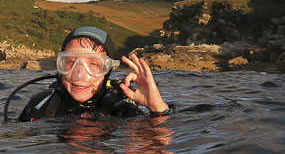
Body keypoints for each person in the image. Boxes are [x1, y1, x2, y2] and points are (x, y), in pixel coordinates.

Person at [18, 26, 171, 121]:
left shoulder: (120, 106)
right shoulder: (40, 104)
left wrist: (158, 108)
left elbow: (160, 147)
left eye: (93, 64)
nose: (79, 75)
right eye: (70, 62)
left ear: (108, 69)